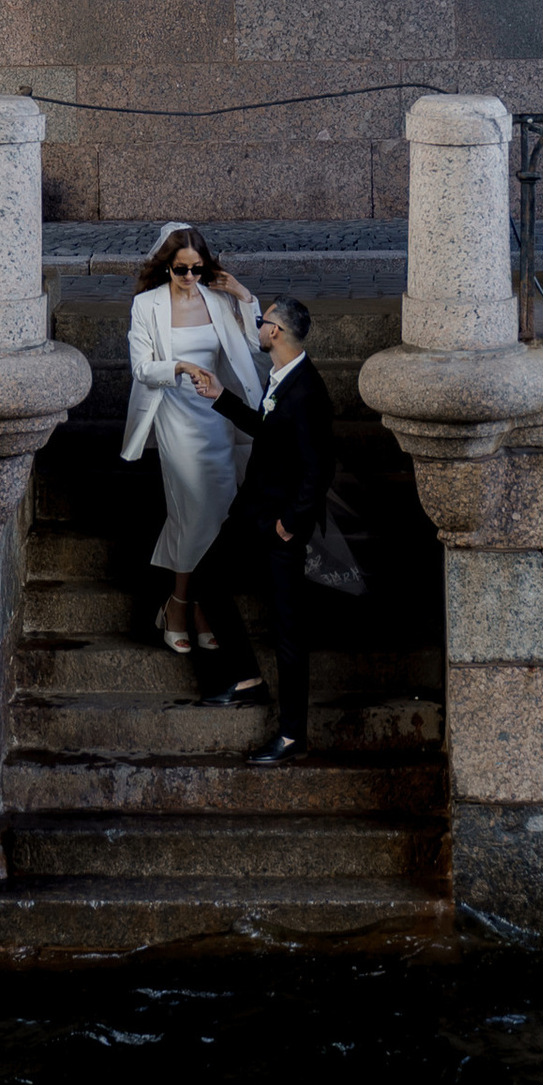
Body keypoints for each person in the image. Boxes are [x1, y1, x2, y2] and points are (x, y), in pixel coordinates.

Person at [179, 296, 336, 765]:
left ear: (277, 333)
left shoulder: (308, 391)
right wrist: (220, 398)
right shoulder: (282, 378)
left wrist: (292, 524)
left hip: (279, 526)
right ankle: (246, 678)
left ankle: (292, 736)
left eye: (262, 321)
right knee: (205, 580)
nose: (257, 326)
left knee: (288, 630)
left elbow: (319, 468)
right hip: (251, 513)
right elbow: (268, 433)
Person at [121, 221, 264, 658]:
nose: (188, 278)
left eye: (196, 269)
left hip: (217, 416)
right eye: (180, 269)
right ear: (167, 266)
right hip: (175, 417)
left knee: (215, 514)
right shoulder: (146, 306)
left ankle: (184, 605)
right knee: (193, 507)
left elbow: (258, 344)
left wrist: (243, 295)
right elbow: (142, 368)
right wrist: (179, 367)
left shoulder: (219, 300)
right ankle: (186, 607)